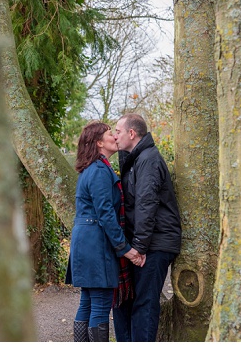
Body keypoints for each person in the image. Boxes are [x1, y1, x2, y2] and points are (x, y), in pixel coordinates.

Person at [65, 121, 145, 342]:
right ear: (99, 142)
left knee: (88, 303)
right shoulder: (100, 171)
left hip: (85, 241)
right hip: (95, 244)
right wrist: (125, 249)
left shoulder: (90, 169)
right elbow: (106, 215)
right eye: (111, 134)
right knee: (99, 305)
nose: (115, 137)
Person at [112, 113, 182, 342]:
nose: (114, 136)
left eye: (118, 131)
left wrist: (139, 248)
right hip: (144, 243)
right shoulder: (135, 159)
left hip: (155, 244)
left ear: (132, 133)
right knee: (128, 302)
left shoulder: (148, 159)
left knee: (145, 304)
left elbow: (146, 204)